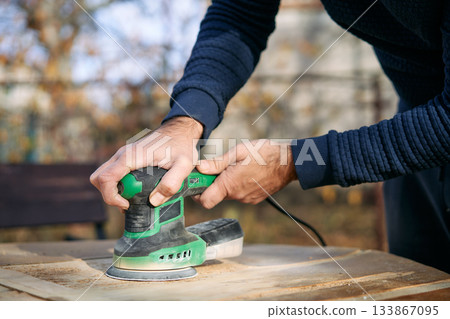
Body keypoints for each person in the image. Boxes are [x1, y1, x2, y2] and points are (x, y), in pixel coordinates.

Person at [90, 0, 450, 273]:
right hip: (414, 129)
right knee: (418, 285)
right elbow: (241, 13)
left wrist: (295, 162)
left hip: (436, 126)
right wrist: (184, 121)